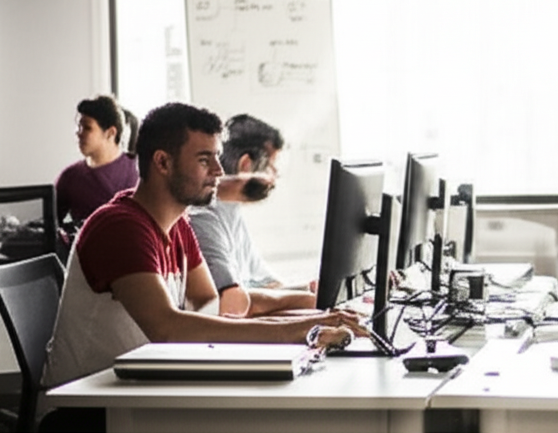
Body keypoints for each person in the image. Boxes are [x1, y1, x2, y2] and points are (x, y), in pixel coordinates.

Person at [42, 102, 363, 395]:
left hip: (139, 392)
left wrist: (315, 316)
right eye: (204, 159)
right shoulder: (120, 227)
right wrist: (303, 328)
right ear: (163, 162)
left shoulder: (177, 225)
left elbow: (220, 307)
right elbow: (168, 328)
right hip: (92, 407)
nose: (219, 171)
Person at [189, 113, 317, 317]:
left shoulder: (232, 211)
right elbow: (231, 303)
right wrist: (309, 300)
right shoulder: (202, 218)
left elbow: (267, 285)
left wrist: (313, 288)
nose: (275, 176)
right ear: (246, 165)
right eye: (271, 166)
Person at [54, 95, 140, 230]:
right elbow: (52, 226)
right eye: (79, 127)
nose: (79, 133)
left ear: (110, 133)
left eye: (87, 128)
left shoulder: (139, 171)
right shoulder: (70, 177)